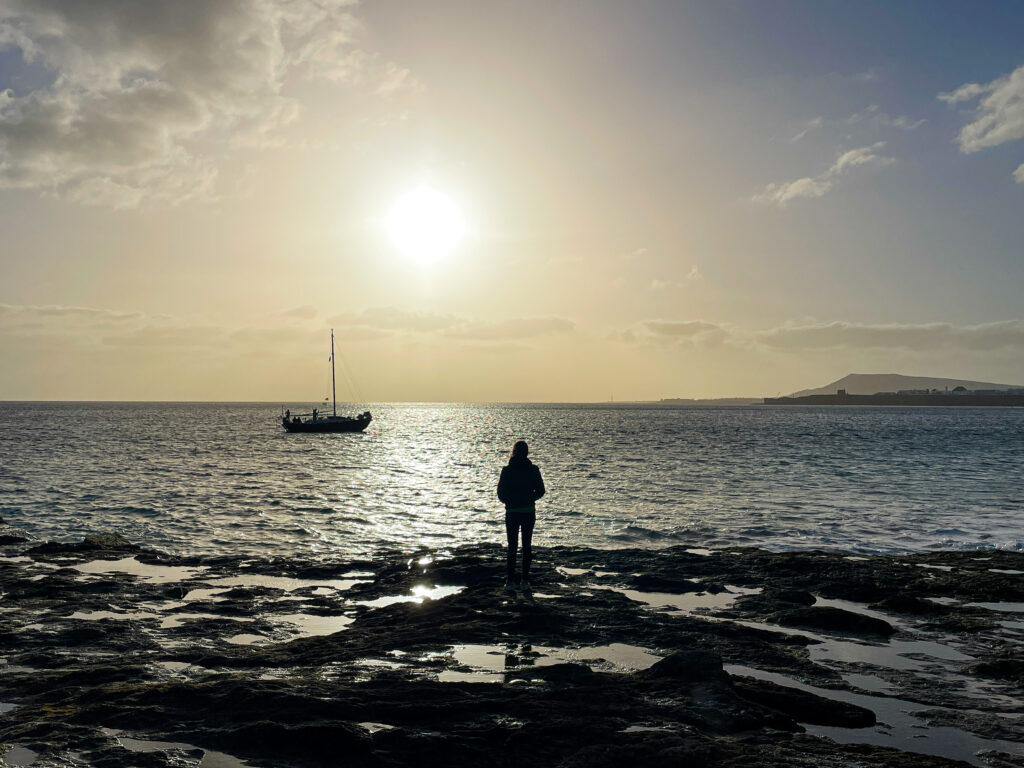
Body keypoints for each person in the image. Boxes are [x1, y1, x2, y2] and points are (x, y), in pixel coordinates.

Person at [497, 440, 545, 592]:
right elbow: (541, 491)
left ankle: (510, 581)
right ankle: (525, 580)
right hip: (528, 511)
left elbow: (500, 493)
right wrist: (530, 499)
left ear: (514, 452)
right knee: (526, 546)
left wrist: (509, 501)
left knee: (512, 547)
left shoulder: (507, 470)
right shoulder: (533, 469)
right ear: (527, 453)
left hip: (512, 512)